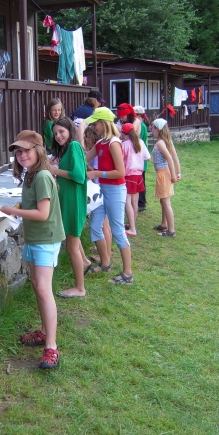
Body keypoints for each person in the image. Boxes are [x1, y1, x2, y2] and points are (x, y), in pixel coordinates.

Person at [0, 130, 65, 369]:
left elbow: (43, 213)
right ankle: (44, 332)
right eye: (18, 152)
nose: (22, 155)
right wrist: (20, 205)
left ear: (38, 151)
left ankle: (52, 347)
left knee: (44, 289)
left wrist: (13, 211)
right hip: (35, 238)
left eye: (27, 150)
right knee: (37, 285)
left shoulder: (42, 176)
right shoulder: (31, 175)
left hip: (46, 238)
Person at [84, 107, 133, 285]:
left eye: (95, 124)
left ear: (104, 123)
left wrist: (96, 173)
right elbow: (84, 158)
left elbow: (120, 172)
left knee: (118, 230)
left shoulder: (114, 143)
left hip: (115, 190)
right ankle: (105, 264)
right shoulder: (100, 143)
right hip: (103, 190)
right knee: (95, 227)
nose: (93, 127)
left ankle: (127, 274)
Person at [49, 117, 89, 298]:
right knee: (73, 244)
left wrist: (55, 171)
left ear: (70, 130)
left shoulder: (74, 146)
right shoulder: (67, 149)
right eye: (55, 133)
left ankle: (80, 288)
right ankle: (84, 265)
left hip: (74, 204)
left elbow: (79, 176)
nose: (58, 136)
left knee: (72, 247)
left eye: (61, 132)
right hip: (69, 202)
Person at [83, 125, 112, 266]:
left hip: (100, 192)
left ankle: (107, 256)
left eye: (88, 137)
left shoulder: (97, 152)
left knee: (104, 226)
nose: (86, 139)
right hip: (99, 191)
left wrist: (85, 164)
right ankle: (105, 254)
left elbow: (95, 170)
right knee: (102, 226)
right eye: (85, 136)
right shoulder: (93, 151)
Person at [151, 118, 181, 237]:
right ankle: (164, 224)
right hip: (165, 173)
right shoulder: (166, 141)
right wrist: (178, 173)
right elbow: (175, 157)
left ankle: (171, 230)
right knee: (163, 200)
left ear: (158, 129)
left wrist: (173, 176)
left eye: (153, 127)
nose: (151, 129)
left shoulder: (160, 143)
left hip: (163, 174)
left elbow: (170, 158)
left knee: (166, 202)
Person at [120, 123, 151, 237]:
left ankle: (132, 229)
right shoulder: (140, 142)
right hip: (139, 175)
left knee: (127, 201)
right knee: (135, 201)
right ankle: (132, 224)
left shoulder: (124, 145)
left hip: (129, 176)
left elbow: (119, 160)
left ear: (123, 134)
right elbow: (148, 157)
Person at [134, 105, 149, 212]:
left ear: (139, 116)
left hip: (142, 159)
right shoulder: (142, 125)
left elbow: (138, 140)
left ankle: (141, 203)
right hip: (141, 158)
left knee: (141, 182)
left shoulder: (142, 126)